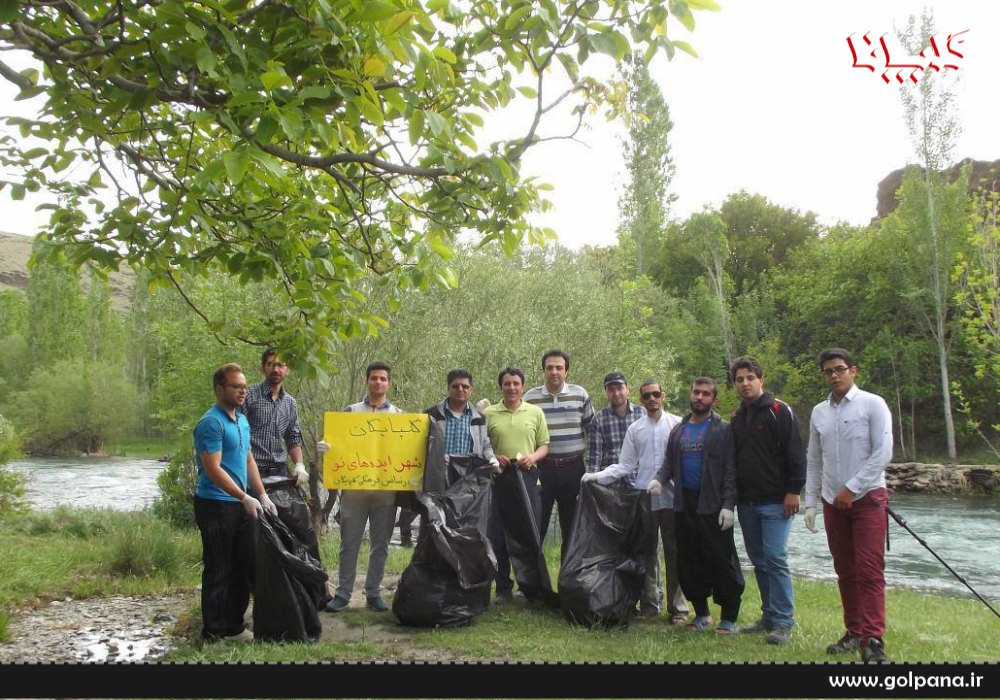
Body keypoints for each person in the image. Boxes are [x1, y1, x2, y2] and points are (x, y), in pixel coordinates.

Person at [804, 348, 894, 664]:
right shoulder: (819, 412)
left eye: (839, 369)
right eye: (828, 371)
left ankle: (873, 639)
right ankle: (854, 631)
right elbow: (814, 460)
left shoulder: (873, 404)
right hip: (831, 501)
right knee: (845, 569)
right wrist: (811, 503)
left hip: (867, 498)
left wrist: (851, 489)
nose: (834, 376)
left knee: (869, 568)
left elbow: (883, 453)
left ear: (853, 371)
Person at [582, 380, 688, 622]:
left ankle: (678, 609)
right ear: (641, 399)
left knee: (674, 551)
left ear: (663, 395)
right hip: (644, 496)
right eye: (647, 396)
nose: (652, 399)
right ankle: (650, 605)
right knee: (646, 552)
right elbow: (625, 465)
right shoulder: (636, 429)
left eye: (656, 394)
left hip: (673, 499)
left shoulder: (677, 424)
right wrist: (595, 476)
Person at [649, 377, 743, 634]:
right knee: (688, 560)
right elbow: (668, 463)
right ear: (690, 395)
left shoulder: (723, 429)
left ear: (714, 399)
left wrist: (728, 505)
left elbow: (731, 470)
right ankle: (701, 614)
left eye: (705, 394)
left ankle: (729, 618)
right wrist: (658, 479)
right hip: (683, 503)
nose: (699, 397)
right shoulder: (679, 430)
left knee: (722, 560)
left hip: (713, 504)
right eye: (696, 392)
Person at [193, 363, 277, 643]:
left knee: (243, 565)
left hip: (242, 504)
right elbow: (213, 468)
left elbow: (248, 458)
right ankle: (213, 631)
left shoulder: (240, 419)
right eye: (236, 386)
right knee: (219, 568)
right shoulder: (211, 423)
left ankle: (234, 626)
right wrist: (243, 496)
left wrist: (261, 494)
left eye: (244, 387)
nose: (243, 391)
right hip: (216, 504)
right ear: (220, 389)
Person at [729, 356, 806, 645]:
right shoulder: (737, 418)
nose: (745, 383)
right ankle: (769, 617)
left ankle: (784, 622)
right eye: (740, 379)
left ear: (761, 379)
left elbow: (796, 454)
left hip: (777, 500)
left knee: (775, 558)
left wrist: (793, 490)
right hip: (747, 502)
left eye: (750, 377)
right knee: (759, 561)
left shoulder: (779, 411)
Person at [317, 361, 400, 613]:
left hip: (385, 492)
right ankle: (342, 594)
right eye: (374, 378)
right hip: (353, 491)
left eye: (383, 379)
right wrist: (326, 450)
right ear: (367, 381)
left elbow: (402, 451)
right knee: (349, 543)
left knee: (380, 544)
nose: (378, 382)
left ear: (389, 383)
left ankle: (373, 593)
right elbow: (338, 444)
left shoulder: (398, 415)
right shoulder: (350, 412)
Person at [239, 349, 323, 559]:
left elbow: (293, 436)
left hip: (279, 473)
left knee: (295, 530)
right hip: (251, 471)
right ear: (263, 368)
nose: (275, 369)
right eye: (270, 364)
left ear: (287, 370)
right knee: (256, 533)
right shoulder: (249, 396)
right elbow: (237, 435)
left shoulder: (290, 403)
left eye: (280, 365)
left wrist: (299, 464)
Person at [484, 366, 550, 602]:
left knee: (529, 535)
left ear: (523, 386)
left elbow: (544, 445)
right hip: (499, 481)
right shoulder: (489, 414)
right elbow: (483, 445)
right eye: (506, 384)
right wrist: (494, 456)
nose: (511, 388)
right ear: (500, 386)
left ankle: (530, 587)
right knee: (498, 536)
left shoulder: (535, 412)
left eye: (515, 384)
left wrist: (533, 457)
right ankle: (502, 588)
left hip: (529, 482)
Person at [524, 349, 594, 560]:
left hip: (573, 469)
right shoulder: (530, 398)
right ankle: (534, 585)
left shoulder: (580, 394)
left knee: (571, 529)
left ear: (567, 372)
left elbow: (593, 433)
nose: (554, 372)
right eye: (549, 368)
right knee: (536, 525)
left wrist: (593, 470)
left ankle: (568, 583)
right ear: (543, 371)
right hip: (541, 470)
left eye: (559, 368)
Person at [425, 368, 500, 468]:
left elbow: (485, 445)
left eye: (465, 386)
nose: (460, 389)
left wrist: (491, 458)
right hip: (438, 474)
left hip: (468, 477)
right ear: (448, 388)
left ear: (470, 390)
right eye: (455, 386)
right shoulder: (431, 415)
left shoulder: (479, 419)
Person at [585, 371, 645, 472]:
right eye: (611, 390)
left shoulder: (642, 415)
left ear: (627, 389)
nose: (616, 393)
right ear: (605, 393)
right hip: (610, 480)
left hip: (639, 478)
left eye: (620, 388)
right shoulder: (599, 419)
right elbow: (594, 456)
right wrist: (591, 480)